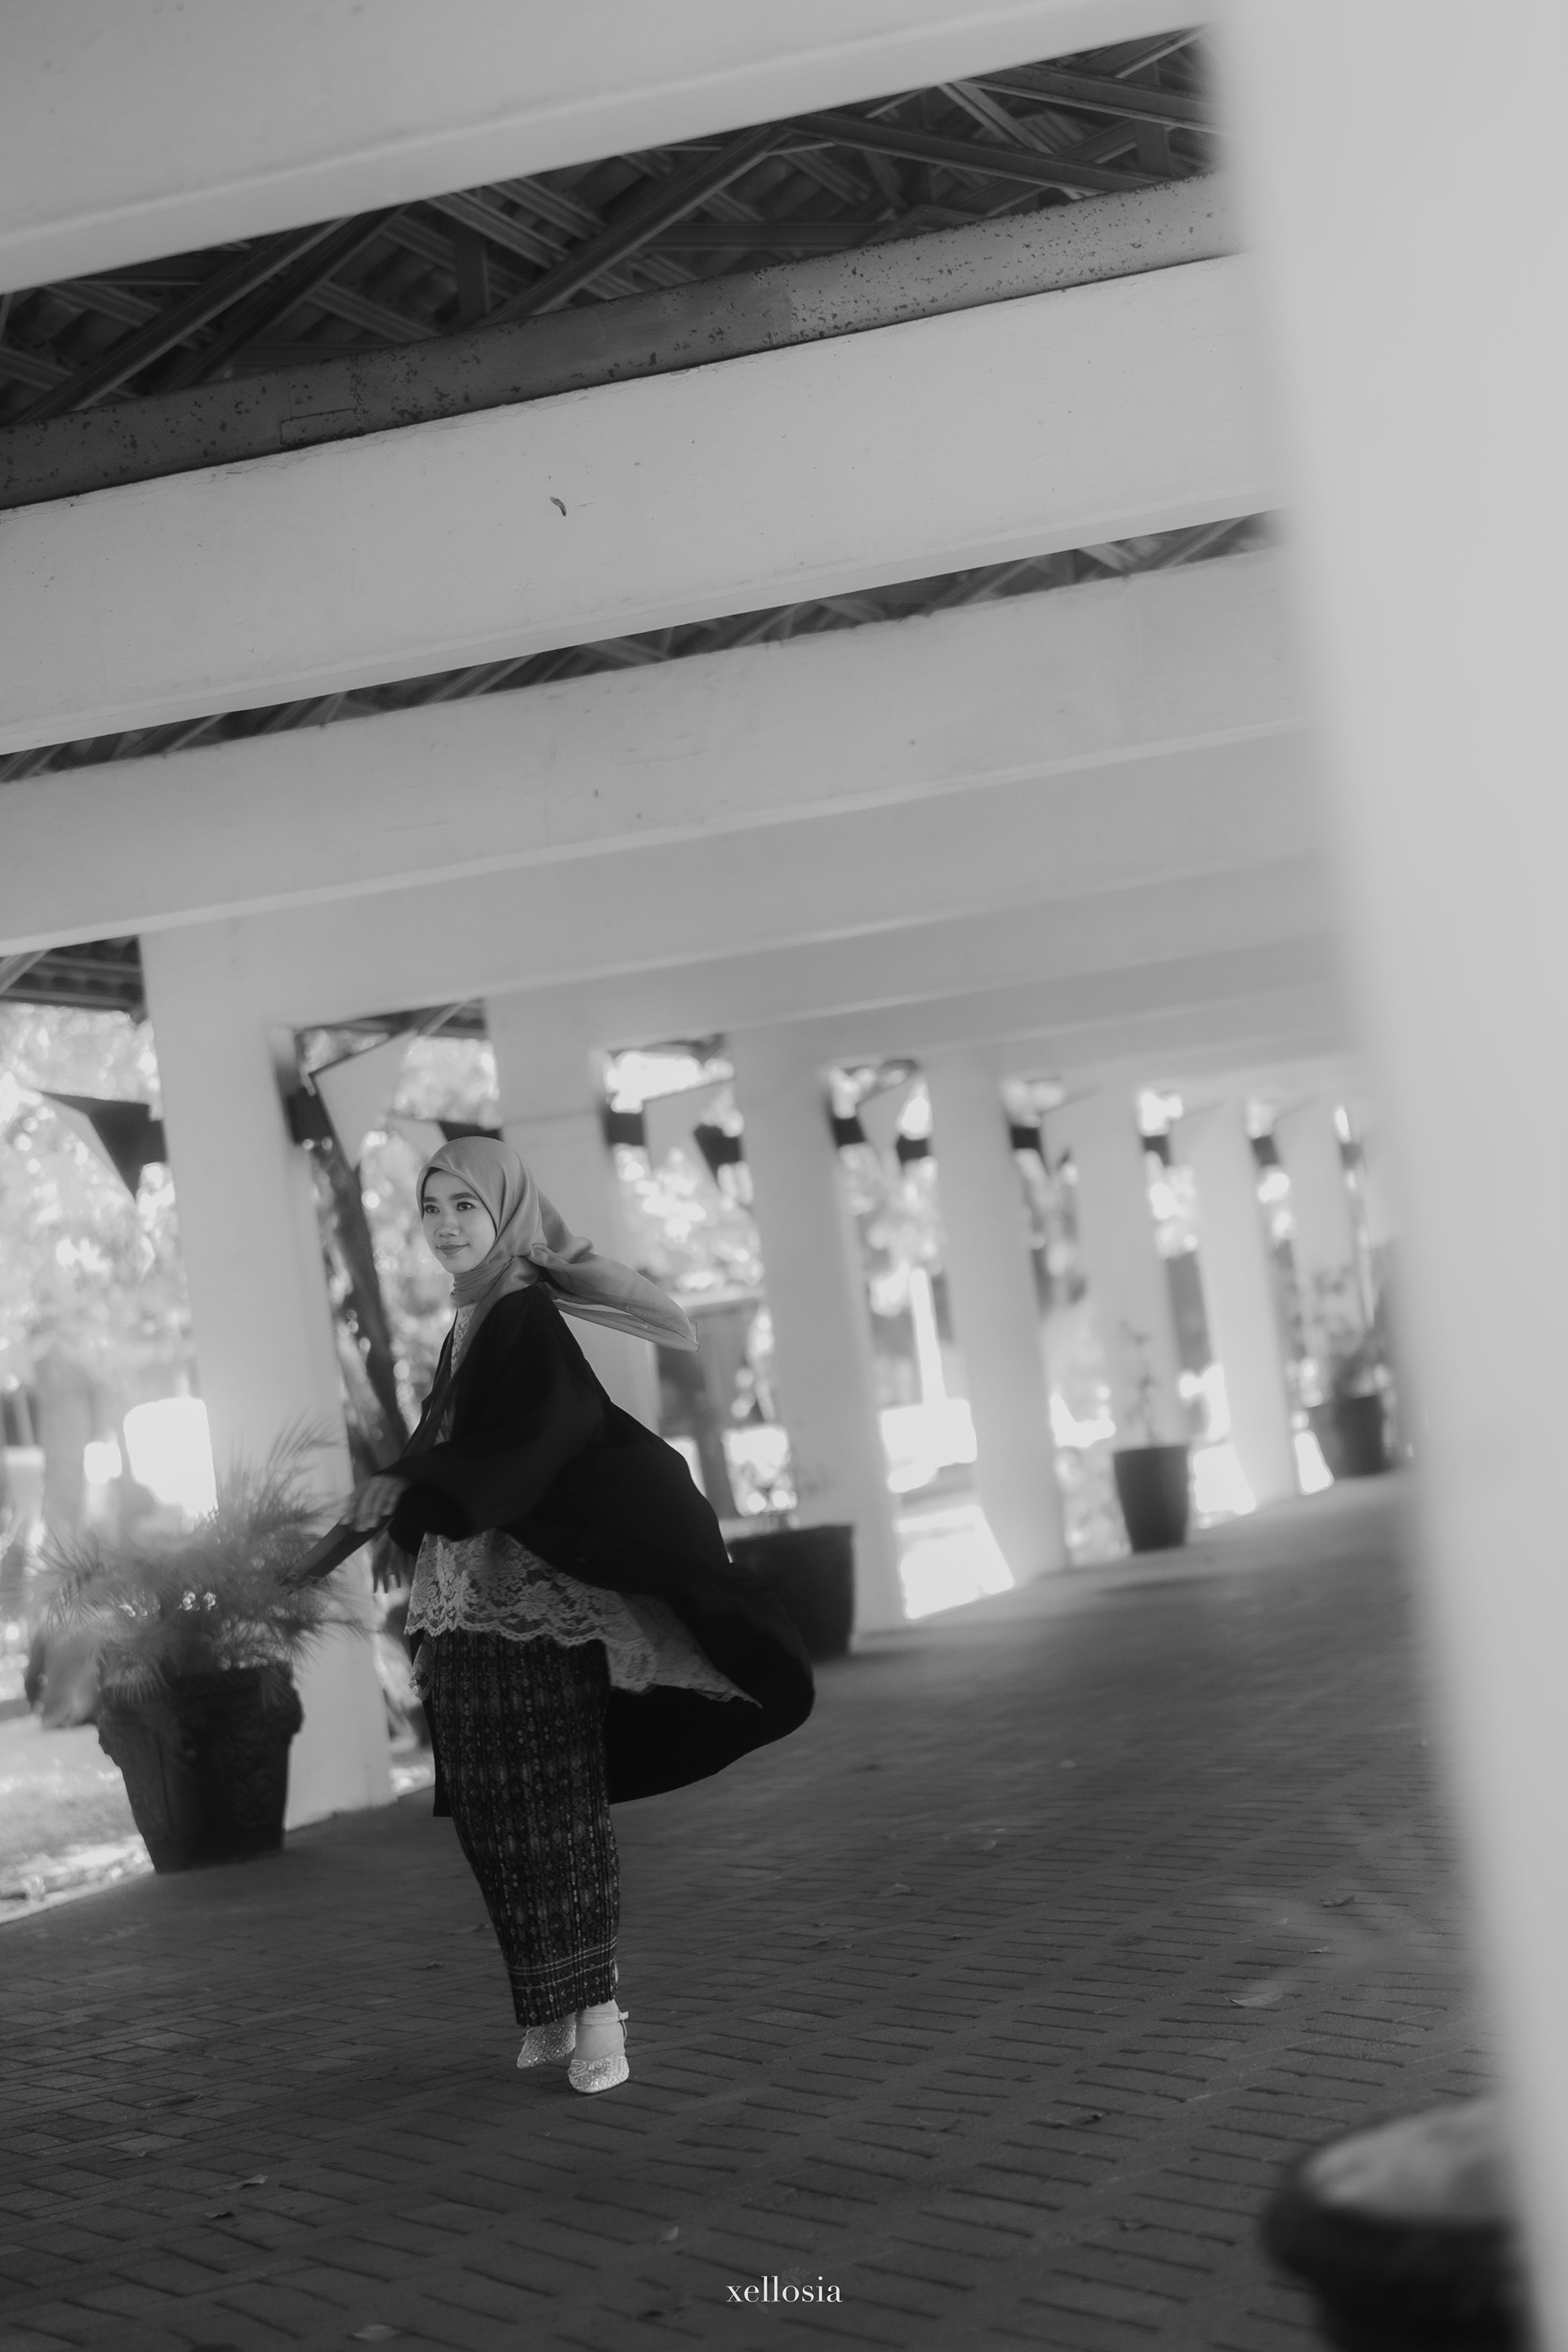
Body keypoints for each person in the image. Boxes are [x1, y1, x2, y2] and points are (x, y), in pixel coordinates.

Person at [338, 1137, 813, 2095]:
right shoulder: (472, 1320)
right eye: (432, 1208)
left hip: (534, 1602)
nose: (445, 1226)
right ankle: (551, 2002)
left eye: (465, 1206)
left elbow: (546, 1435)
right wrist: (407, 1511)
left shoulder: (522, 1314)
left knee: (555, 1807)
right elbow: (459, 1442)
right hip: (462, 1606)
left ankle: (599, 2012)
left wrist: (420, 1486)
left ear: (506, 1212)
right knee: (490, 1811)